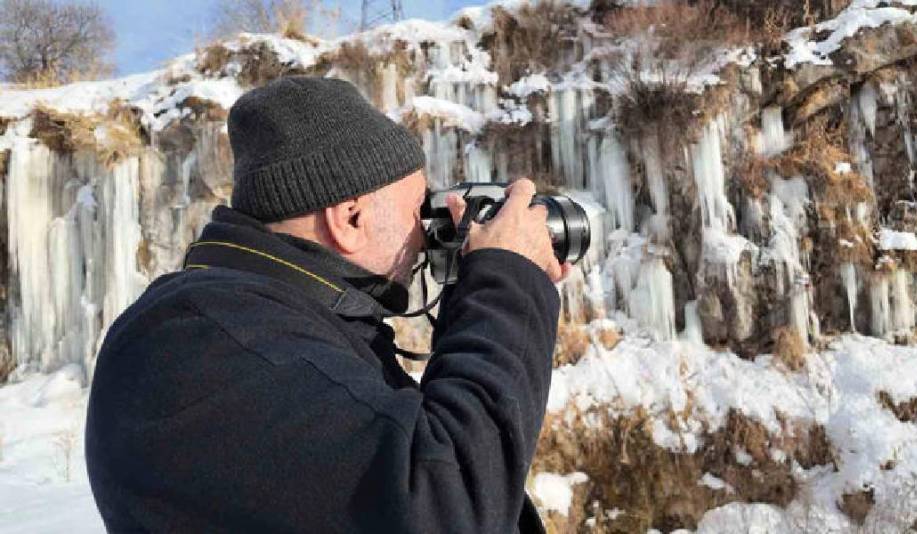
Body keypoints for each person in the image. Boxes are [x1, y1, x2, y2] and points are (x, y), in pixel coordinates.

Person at [85, 75, 569, 533]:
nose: (425, 231)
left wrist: (476, 295)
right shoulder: (197, 337)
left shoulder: (265, 325)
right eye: (416, 207)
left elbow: (418, 459)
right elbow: (447, 505)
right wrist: (508, 280)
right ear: (349, 219)